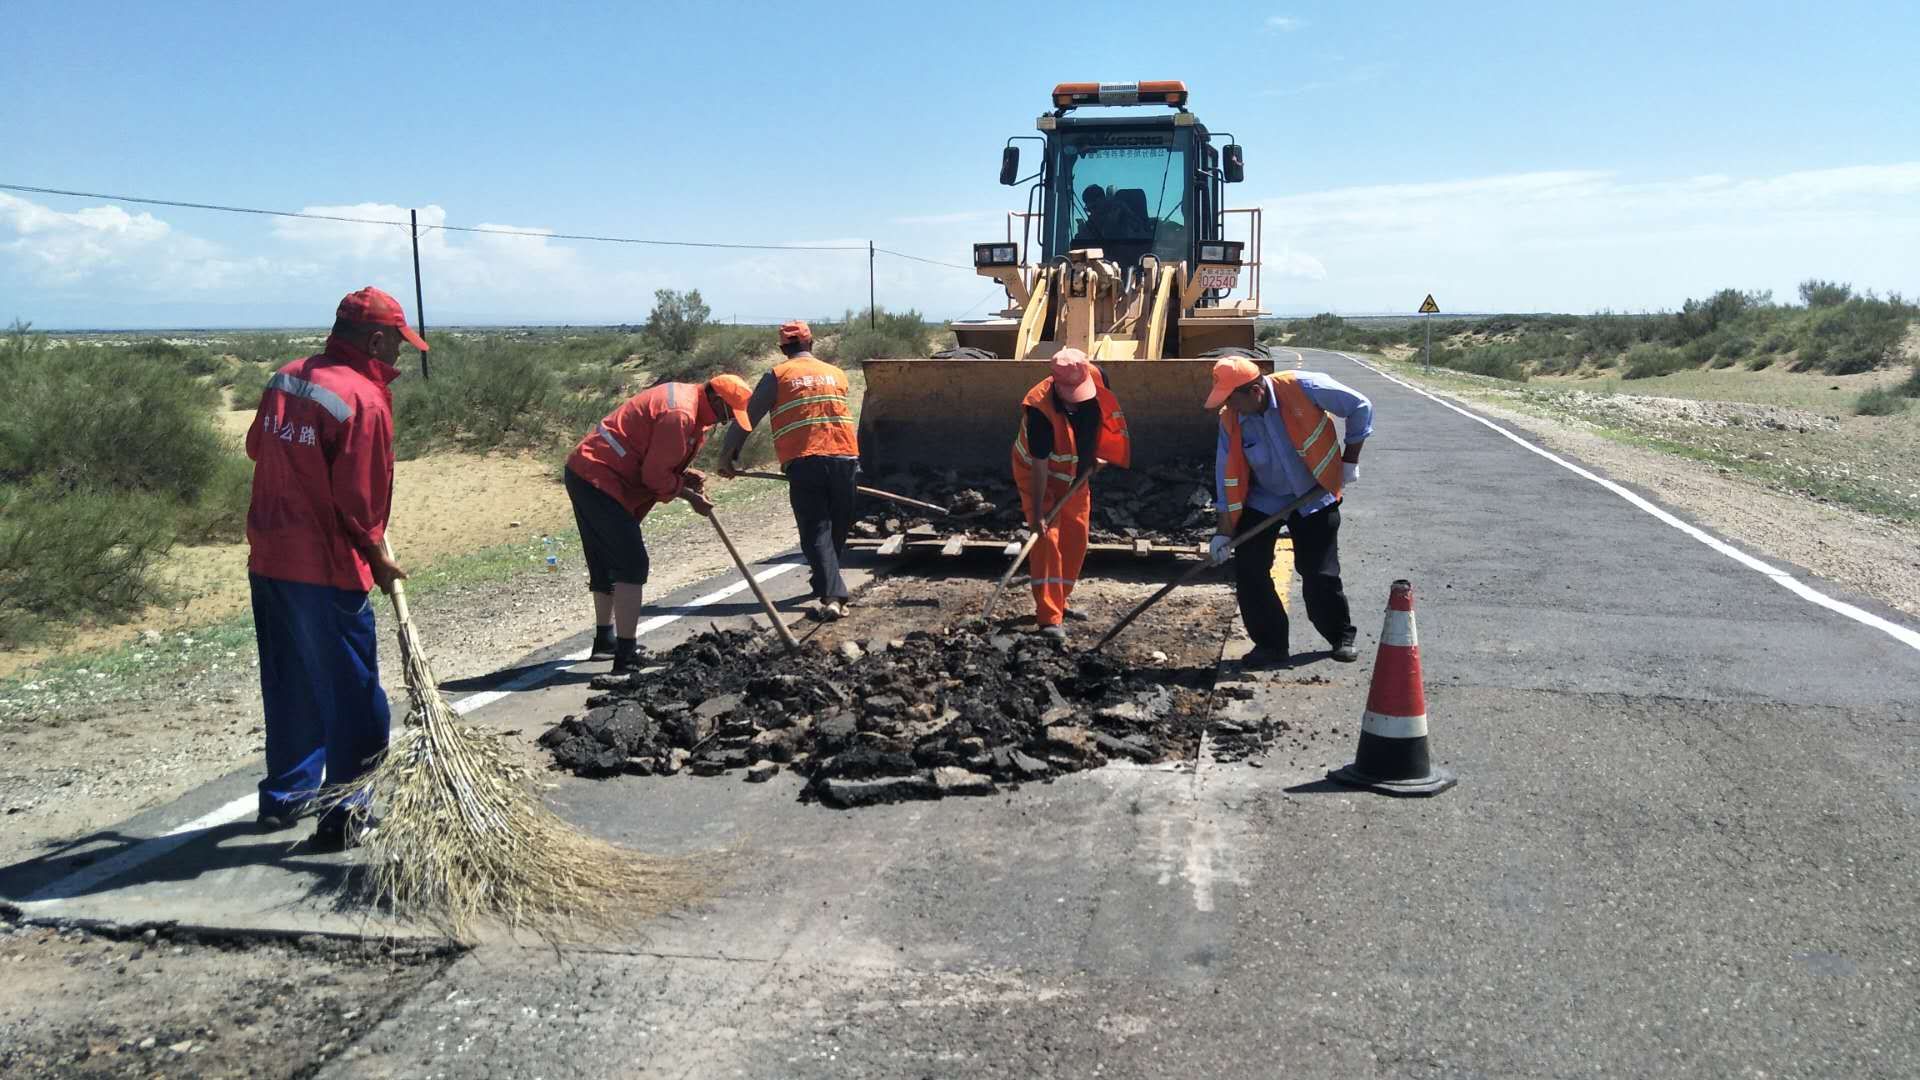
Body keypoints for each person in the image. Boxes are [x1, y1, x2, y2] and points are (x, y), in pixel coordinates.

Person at [246, 286, 425, 851]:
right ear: (376, 339)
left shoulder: (286, 376)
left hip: (269, 558)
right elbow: (361, 501)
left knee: (289, 679)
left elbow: (257, 447)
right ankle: (346, 809)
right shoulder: (363, 398)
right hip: (325, 569)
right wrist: (378, 557)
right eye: (398, 345)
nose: (399, 358)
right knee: (354, 694)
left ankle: (285, 798)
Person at [564, 374, 753, 672]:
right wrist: (690, 496)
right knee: (631, 564)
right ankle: (624, 657)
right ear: (716, 399)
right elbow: (653, 477)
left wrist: (684, 477)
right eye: (728, 414)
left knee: (606, 559)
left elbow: (659, 460)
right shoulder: (680, 413)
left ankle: (605, 642)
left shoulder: (689, 406)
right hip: (597, 477)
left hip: (592, 473)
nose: (726, 421)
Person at [1204, 357, 1371, 669]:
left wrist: (1350, 460)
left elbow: (1360, 406)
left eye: (1232, 398)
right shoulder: (1231, 420)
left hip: (1313, 496)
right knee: (1250, 569)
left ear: (1255, 391)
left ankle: (1340, 636)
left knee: (1318, 572)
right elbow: (1224, 474)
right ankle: (1271, 645)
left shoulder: (1304, 387)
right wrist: (1224, 532)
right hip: (1264, 499)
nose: (1229, 406)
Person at [716, 320, 860, 620]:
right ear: (811, 343)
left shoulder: (778, 375)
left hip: (806, 460)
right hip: (845, 457)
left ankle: (832, 593)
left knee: (816, 528)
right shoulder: (836, 374)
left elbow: (748, 417)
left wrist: (727, 456)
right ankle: (826, 583)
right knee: (838, 523)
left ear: (782, 348)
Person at [1011, 347, 1131, 638]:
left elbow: (1102, 420)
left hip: (1077, 476)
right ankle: (1049, 618)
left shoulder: (1098, 379)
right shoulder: (1039, 410)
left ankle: (1061, 602)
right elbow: (1039, 466)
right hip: (1038, 477)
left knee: (1075, 538)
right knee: (1048, 541)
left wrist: (1099, 456)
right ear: (1056, 385)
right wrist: (1038, 514)